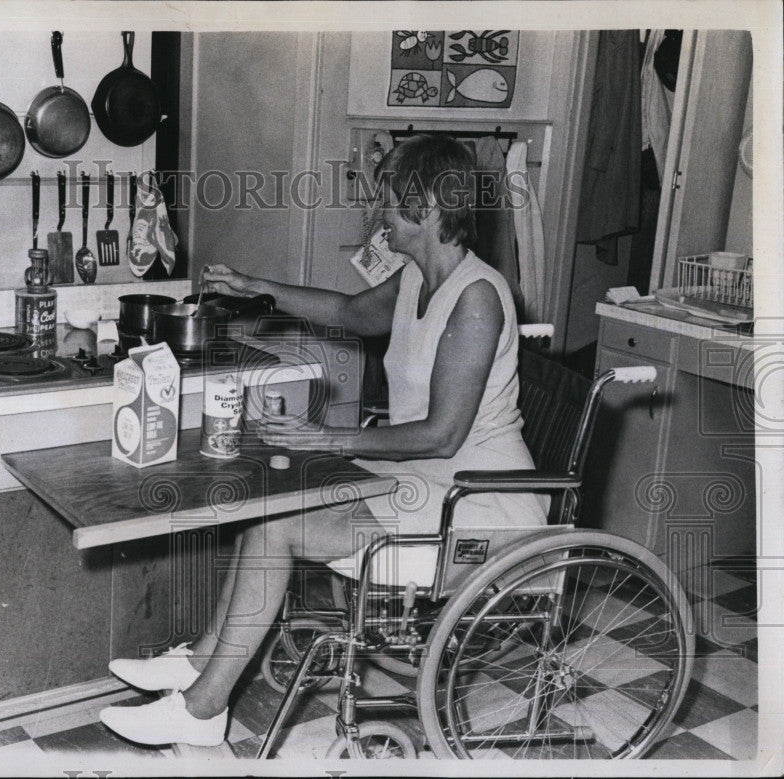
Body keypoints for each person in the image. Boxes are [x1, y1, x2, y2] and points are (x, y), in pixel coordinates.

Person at [99, 133, 546, 747]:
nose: (378, 213)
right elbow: (349, 312)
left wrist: (325, 438)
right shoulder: (419, 276)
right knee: (273, 502)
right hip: (422, 486)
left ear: (430, 207)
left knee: (278, 524)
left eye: (388, 199)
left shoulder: (476, 298)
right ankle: (201, 664)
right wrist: (254, 285)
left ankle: (202, 709)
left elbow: (443, 436)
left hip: (477, 506)